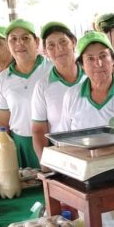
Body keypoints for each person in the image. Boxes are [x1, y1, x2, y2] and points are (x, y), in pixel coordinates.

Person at [0, 19, 53, 168]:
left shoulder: (53, 69)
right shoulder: (2, 78)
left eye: (25, 38)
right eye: (13, 39)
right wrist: (4, 155)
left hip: (52, 143)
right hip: (20, 144)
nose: (19, 43)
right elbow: (1, 120)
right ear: (8, 45)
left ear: (37, 42)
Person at [60, 31, 114, 131]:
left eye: (103, 56)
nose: (98, 64)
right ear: (82, 65)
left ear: (112, 59)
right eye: (90, 58)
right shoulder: (72, 95)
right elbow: (65, 140)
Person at [31, 21, 84, 158]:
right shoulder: (43, 86)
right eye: (51, 46)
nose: (59, 49)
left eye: (63, 42)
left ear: (73, 42)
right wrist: (46, 165)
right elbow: (38, 131)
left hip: (97, 151)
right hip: (62, 155)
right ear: (46, 52)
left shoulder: (91, 77)